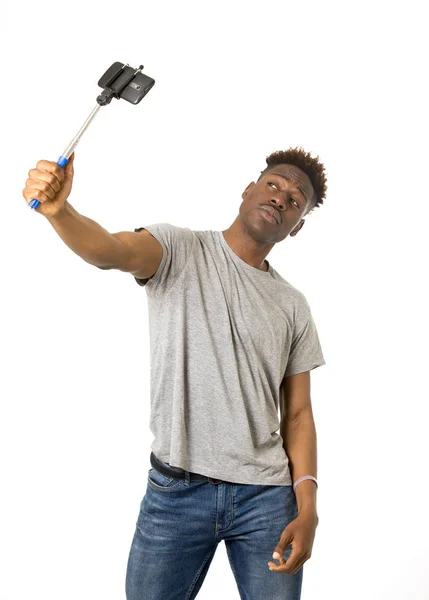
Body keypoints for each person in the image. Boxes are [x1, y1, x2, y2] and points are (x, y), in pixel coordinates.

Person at [22, 146, 327, 599]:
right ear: (248, 190)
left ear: (296, 226)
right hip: (176, 491)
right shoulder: (179, 249)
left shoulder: (292, 305)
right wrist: (60, 213)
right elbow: (109, 250)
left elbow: (298, 414)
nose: (282, 197)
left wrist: (308, 509)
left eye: (295, 199)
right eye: (274, 184)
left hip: (267, 498)